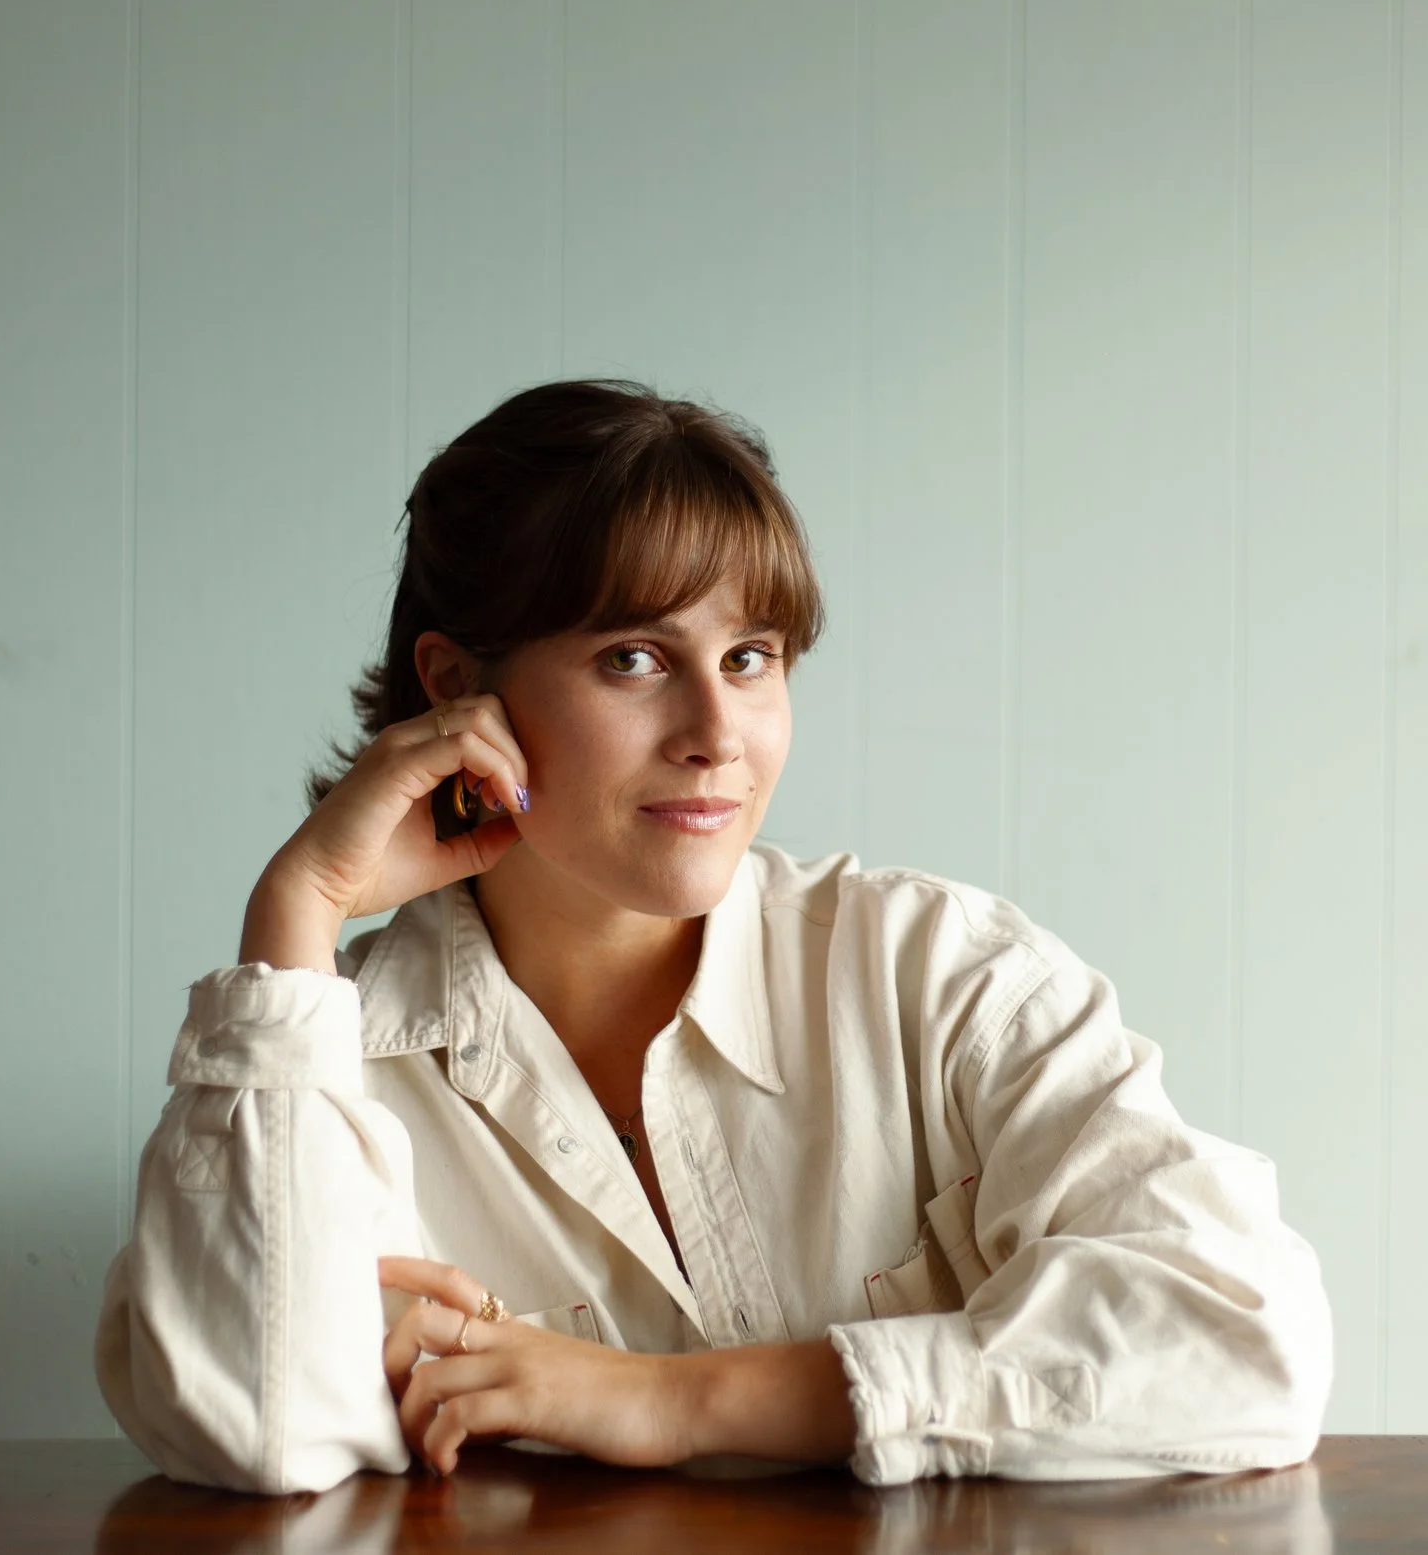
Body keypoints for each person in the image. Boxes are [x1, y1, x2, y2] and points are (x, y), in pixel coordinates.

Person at [93, 378, 1334, 1493]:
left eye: (750, 656)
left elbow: (1243, 1336)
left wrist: (669, 1400)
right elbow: (253, 1426)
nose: (716, 733)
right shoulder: (331, 1067)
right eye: (635, 657)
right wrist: (299, 903)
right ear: (456, 687)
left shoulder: (935, 972)